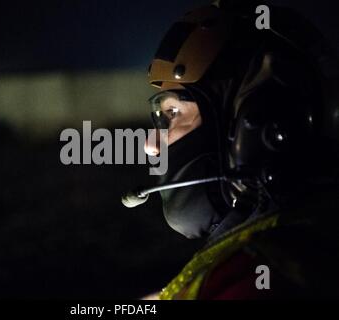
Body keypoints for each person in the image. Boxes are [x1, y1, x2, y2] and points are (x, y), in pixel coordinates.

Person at [143, 0, 339, 299]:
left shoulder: (260, 277)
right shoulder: (297, 244)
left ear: (254, 126)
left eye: (174, 113)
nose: (150, 144)